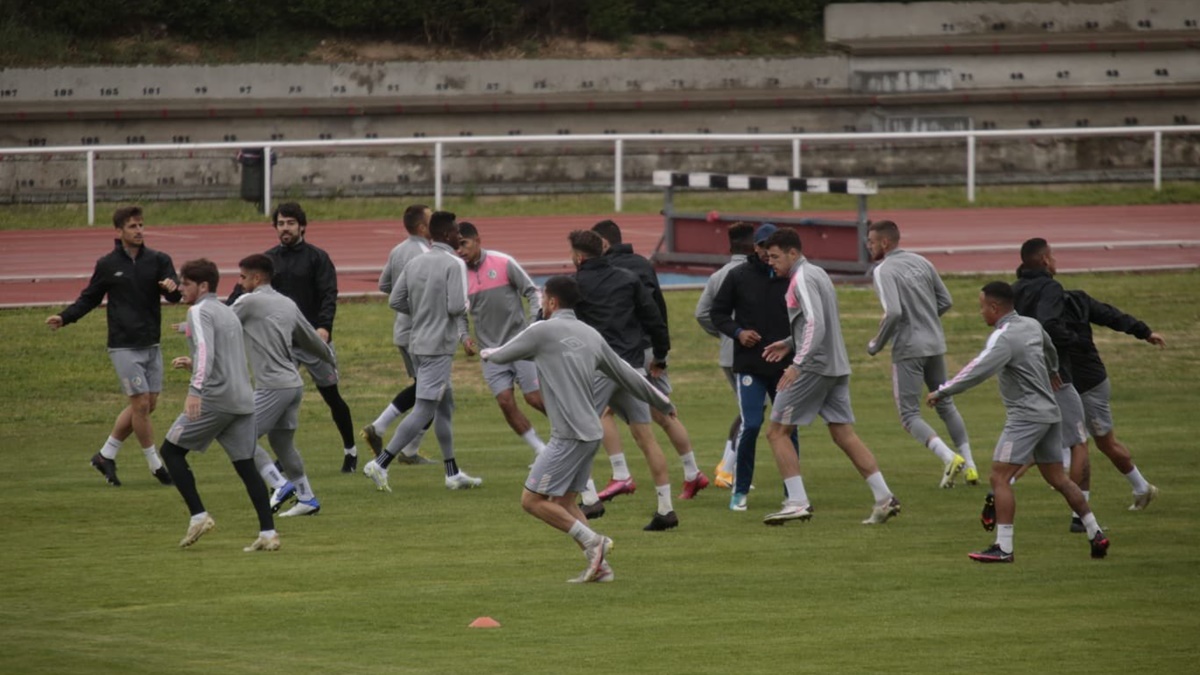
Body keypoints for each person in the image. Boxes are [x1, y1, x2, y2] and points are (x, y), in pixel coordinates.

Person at [481, 276, 678, 583]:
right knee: (565, 503)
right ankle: (600, 567)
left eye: (544, 299)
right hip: (592, 432)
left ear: (552, 302)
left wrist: (487, 353)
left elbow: (503, 354)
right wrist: (662, 402)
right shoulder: (592, 335)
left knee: (532, 501)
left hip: (569, 435)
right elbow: (628, 374)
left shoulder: (541, 331)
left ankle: (594, 542)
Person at [929, 281, 1110, 562]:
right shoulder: (1031, 325)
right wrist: (1052, 370)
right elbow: (1050, 348)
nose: (980, 314)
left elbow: (977, 369)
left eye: (981, 308)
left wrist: (943, 391)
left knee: (999, 476)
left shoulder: (1004, 338)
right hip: (1051, 413)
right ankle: (1095, 532)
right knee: (1059, 479)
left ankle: (1004, 547)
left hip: (1026, 416)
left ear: (994, 307)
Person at [759, 228, 901, 526]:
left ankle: (797, 502)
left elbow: (815, 321)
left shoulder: (802, 278)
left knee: (776, 431)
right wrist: (788, 342)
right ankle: (884, 497)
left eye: (774, 257)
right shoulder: (818, 273)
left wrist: (797, 362)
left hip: (814, 368)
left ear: (793, 253)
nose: (770, 262)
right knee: (843, 433)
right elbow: (814, 322)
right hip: (836, 366)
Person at [46, 205, 179, 487]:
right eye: (133, 226)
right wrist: (65, 317)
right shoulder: (108, 264)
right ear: (119, 231)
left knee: (148, 405)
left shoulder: (159, 260)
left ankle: (106, 454)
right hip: (122, 345)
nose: (139, 230)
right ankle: (156, 465)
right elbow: (90, 297)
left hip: (151, 343)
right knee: (140, 404)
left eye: (141, 225)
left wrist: (172, 289)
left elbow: (175, 295)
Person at [227, 202, 359, 472]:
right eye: (280, 223)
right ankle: (284, 454)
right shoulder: (267, 261)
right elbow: (242, 291)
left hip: (313, 340)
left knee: (332, 397)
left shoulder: (317, 258)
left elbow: (328, 294)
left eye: (290, 223)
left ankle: (350, 450)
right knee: (282, 398)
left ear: (302, 226)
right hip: (281, 347)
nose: (285, 228)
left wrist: (324, 327)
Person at [589, 220, 710, 505]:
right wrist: (661, 354)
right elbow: (659, 308)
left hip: (628, 351)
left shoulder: (609, 272)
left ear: (604, 244)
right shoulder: (642, 264)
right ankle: (692, 471)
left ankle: (620, 474)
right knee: (662, 412)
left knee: (606, 412)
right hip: (650, 350)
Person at [162, 259, 279, 552]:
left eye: (186, 283)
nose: (182, 288)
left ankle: (199, 516)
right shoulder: (227, 311)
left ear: (202, 286)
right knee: (246, 465)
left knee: (171, 450)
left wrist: (195, 390)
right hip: (242, 398)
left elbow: (204, 350)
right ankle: (268, 533)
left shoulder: (198, 310)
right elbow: (224, 356)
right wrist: (195, 366)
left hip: (216, 398)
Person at [361, 211, 482, 492]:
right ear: (447, 235)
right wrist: (464, 308)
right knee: (425, 408)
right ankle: (380, 463)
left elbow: (395, 299)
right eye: (455, 233)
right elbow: (455, 307)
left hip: (417, 341)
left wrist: (422, 313)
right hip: (438, 346)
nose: (459, 237)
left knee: (445, 407)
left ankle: (452, 472)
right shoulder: (454, 263)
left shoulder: (416, 262)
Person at [570, 230, 681, 531]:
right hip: (632, 366)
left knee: (577, 431)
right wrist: (660, 355)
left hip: (598, 368)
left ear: (579, 256)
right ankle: (666, 509)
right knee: (646, 437)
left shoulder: (576, 284)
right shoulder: (627, 278)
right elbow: (654, 318)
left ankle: (590, 498)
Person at [864, 220, 976, 487]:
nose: (868, 246)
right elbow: (946, 300)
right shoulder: (922, 261)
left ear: (884, 243)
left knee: (909, 415)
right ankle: (971, 465)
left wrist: (876, 344)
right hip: (935, 343)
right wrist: (927, 320)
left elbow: (893, 312)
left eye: (871, 241)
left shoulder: (883, 270)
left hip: (909, 348)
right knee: (945, 403)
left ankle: (950, 457)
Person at [231, 254, 335, 518]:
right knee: (282, 443)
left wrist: (190, 325)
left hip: (273, 386)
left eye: (242, 277)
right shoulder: (287, 303)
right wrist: (329, 359)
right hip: (293, 384)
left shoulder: (248, 301)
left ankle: (279, 484)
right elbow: (311, 338)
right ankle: (307, 498)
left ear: (256, 278)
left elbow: (221, 324)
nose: (239, 282)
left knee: (240, 435)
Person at [709, 223, 795, 512]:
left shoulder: (791, 277)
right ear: (754, 247)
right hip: (750, 365)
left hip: (784, 367)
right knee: (752, 424)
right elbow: (717, 313)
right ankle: (740, 490)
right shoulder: (738, 276)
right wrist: (738, 333)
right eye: (760, 246)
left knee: (787, 428)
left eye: (769, 248)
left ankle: (793, 492)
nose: (764, 253)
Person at [1063, 289, 1162, 510]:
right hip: (1070, 384)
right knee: (1074, 440)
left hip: (1089, 384)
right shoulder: (1043, 304)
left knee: (1104, 443)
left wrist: (1144, 331)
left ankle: (1141, 487)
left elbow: (1109, 315)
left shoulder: (1072, 301)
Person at [457, 221, 548, 460]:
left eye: (464, 244)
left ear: (477, 240)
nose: (460, 251)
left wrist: (533, 325)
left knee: (534, 398)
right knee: (506, 403)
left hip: (520, 345)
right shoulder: (458, 274)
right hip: (491, 352)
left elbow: (532, 291)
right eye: (456, 247)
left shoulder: (503, 262)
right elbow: (457, 312)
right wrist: (465, 337)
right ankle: (542, 451)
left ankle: (571, 434)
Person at [361, 204, 435, 464]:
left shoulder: (397, 250)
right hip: (422, 334)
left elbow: (384, 284)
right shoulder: (428, 254)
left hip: (403, 330)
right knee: (431, 392)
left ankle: (393, 439)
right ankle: (396, 442)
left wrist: (401, 301)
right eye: (431, 219)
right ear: (422, 227)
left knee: (425, 389)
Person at [694, 222, 754, 489]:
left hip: (729, 354)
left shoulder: (719, 275)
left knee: (748, 411)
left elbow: (702, 314)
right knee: (751, 412)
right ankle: (728, 470)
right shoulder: (753, 273)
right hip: (749, 354)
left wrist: (724, 335)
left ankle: (728, 467)